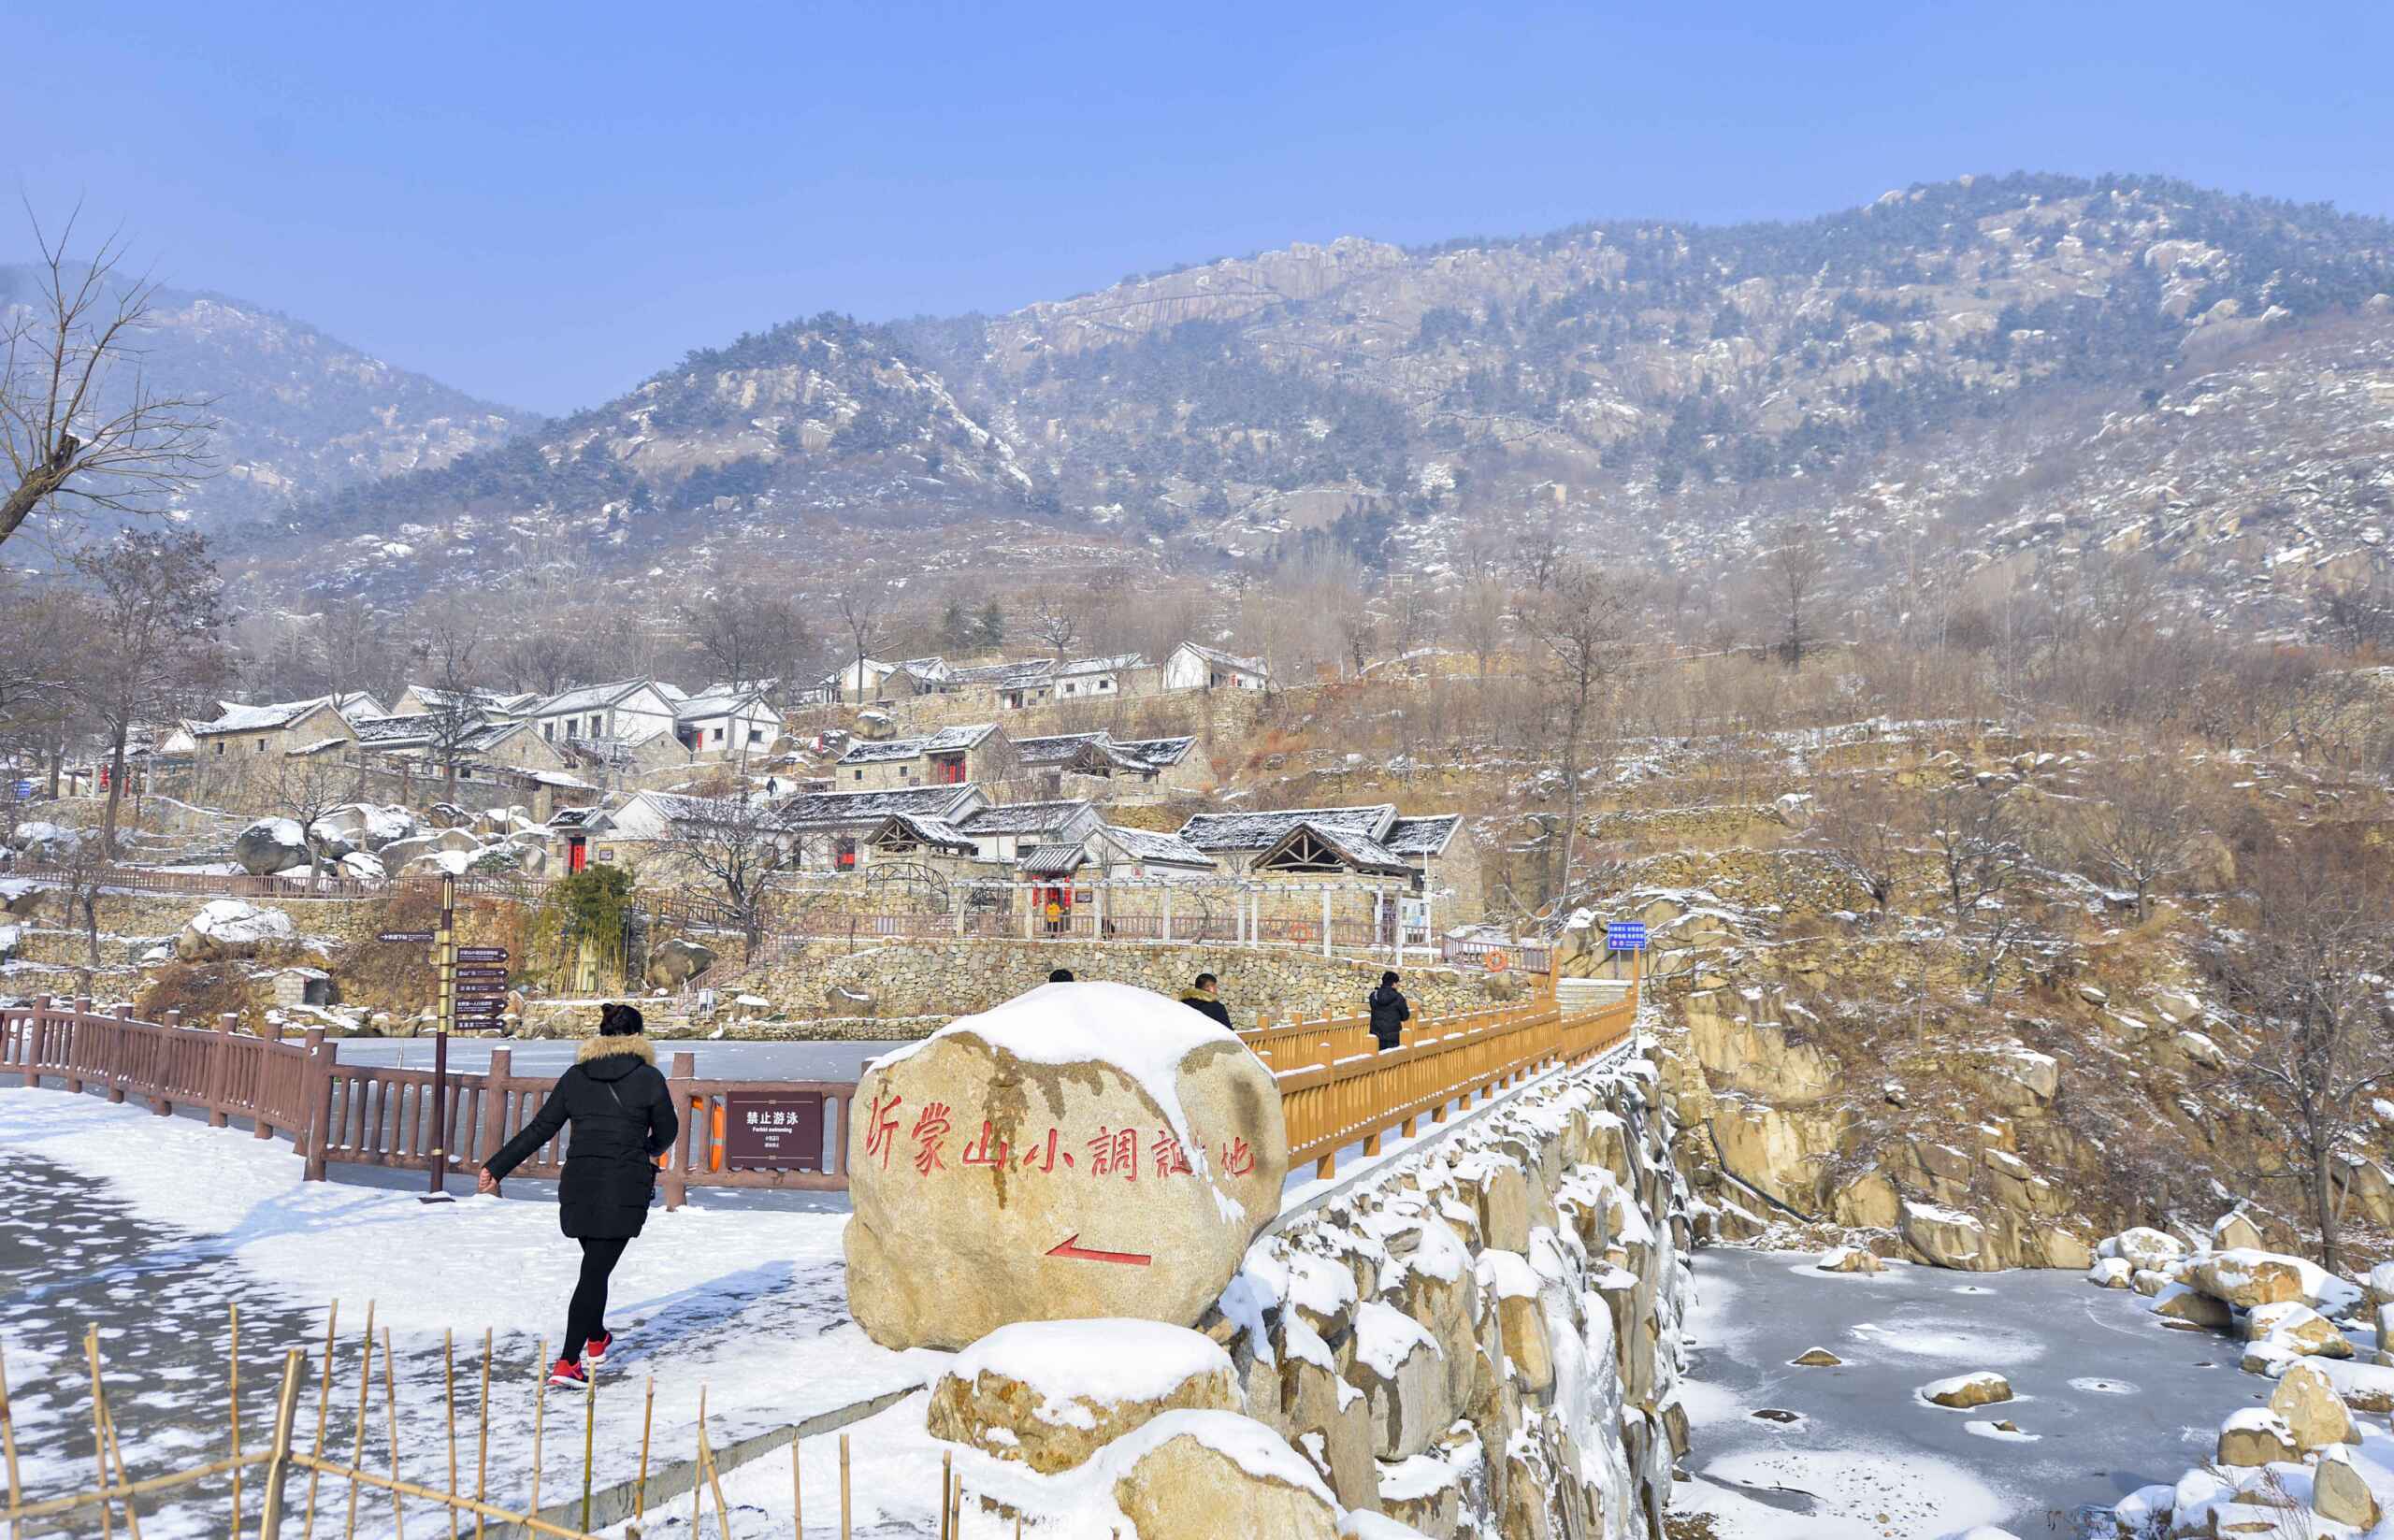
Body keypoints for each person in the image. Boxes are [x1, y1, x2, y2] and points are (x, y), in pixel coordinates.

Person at [479, 1002, 677, 1389]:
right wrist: (647, 1148)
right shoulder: (649, 1078)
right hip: (623, 1184)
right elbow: (667, 1132)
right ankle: (569, 1361)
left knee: (595, 1266)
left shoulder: (575, 1076)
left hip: (580, 1183)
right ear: (639, 1037)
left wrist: (497, 1166)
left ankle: (597, 1336)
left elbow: (540, 1128)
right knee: (594, 1271)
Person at [1367, 971, 1410, 1051]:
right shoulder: (1398, 997)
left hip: (1375, 1036)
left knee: (1377, 1061)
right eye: (1397, 983)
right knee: (1393, 1061)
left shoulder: (1373, 996)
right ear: (1393, 984)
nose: (1398, 985)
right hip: (1393, 1038)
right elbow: (1405, 1016)